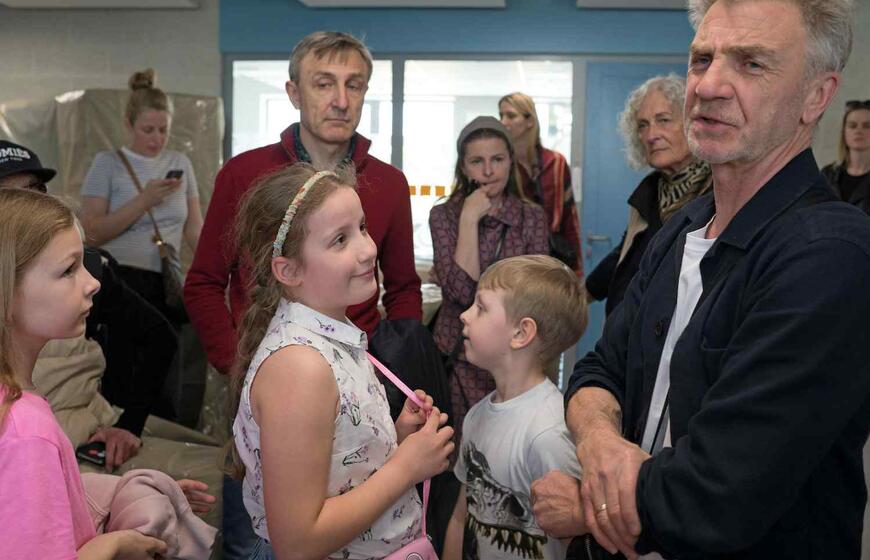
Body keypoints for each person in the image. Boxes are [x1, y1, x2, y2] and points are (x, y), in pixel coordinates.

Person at [532, 0, 870, 558]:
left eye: (751, 63)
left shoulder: (830, 254)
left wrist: (589, 508)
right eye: (702, 59)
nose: (708, 86)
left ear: (816, 96)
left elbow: (720, 491)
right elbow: (598, 368)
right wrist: (600, 444)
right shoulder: (679, 230)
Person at [184, 31, 424, 559]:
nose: (340, 99)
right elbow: (203, 283)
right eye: (324, 84)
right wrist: (239, 366)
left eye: (354, 85)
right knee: (259, 535)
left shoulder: (388, 183)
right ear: (294, 92)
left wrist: (393, 374)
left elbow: (403, 288)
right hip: (278, 382)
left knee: (366, 518)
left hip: (358, 379)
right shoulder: (244, 174)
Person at [229, 163, 454, 559]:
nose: (368, 249)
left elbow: (338, 468)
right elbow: (298, 542)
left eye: (362, 228)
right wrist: (406, 467)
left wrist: (393, 440)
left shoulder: (333, 334)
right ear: (288, 270)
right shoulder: (299, 368)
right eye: (340, 240)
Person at [0, 188, 210, 558]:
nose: (93, 282)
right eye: (68, 270)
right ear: (8, 293)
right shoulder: (26, 429)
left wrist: (121, 495)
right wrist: (114, 544)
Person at [0, 140, 176, 470]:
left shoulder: (93, 272)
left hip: (84, 441)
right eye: (12, 196)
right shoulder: (24, 428)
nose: (89, 283)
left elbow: (158, 336)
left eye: (37, 190)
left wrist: (129, 425)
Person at [441, 255, 588, 560]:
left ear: (521, 333)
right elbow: (459, 518)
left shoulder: (548, 434)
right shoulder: (476, 416)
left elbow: (575, 544)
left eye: (481, 307)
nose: (465, 315)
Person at [429, 116, 549, 444]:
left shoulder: (531, 217)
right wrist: (469, 219)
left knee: (508, 449)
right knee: (459, 454)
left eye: (497, 159)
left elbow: (536, 298)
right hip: (460, 356)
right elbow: (460, 292)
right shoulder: (444, 215)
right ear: (463, 167)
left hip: (514, 359)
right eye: (476, 161)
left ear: (511, 161)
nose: (488, 171)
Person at [80, 68, 203, 329]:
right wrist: (143, 201)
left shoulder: (180, 162)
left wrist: (214, 274)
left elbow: (194, 229)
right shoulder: (107, 164)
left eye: (163, 130)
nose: (157, 138)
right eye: (148, 130)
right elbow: (90, 233)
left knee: (170, 346)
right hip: (120, 278)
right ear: (128, 124)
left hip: (166, 280)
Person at [584, 75, 712, 316]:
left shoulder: (719, 191)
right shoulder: (650, 191)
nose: (651, 135)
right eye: (643, 125)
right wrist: (581, 294)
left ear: (692, 122)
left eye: (663, 120)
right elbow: (628, 254)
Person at [498, 92, 583, 275]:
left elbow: (569, 218)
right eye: (501, 115)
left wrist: (577, 270)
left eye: (511, 115)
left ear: (529, 121)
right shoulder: (501, 165)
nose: (503, 122)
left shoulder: (556, 163)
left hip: (552, 258)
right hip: (512, 261)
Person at [821, 99, 870, 214]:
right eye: (852, 126)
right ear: (844, 132)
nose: (858, 131)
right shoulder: (828, 175)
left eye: (867, 126)